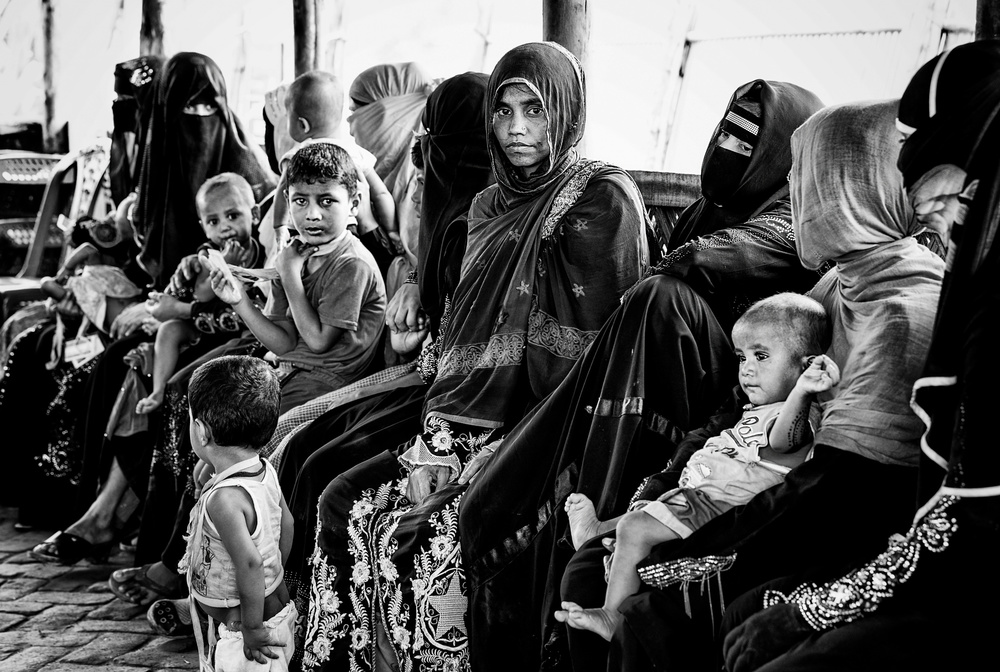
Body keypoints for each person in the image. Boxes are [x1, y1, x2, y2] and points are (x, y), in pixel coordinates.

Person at [301, 42, 649, 672]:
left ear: (566, 114)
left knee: (435, 537)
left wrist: (488, 455)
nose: (516, 130)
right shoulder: (486, 205)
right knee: (341, 499)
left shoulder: (602, 201)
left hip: (546, 434)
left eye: (535, 111)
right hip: (453, 426)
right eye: (503, 110)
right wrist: (435, 439)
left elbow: (589, 364)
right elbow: (461, 339)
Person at [458, 79, 824, 672]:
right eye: (724, 129)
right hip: (659, 385)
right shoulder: (710, 208)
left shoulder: (794, 218)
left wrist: (670, 275)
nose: (728, 145)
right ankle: (575, 484)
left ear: (781, 150)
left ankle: (593, 495)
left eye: (748, 136)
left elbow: (703, 259)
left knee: (659, 299)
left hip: (724, 407)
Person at [582, 99, 944, 672]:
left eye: (805, 177)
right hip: (777, 495)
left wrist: (692, 543)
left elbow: (841, 495)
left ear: (847, 186)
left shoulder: (900, 312)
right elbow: (743, 420)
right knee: (600, 561)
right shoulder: (839, 282)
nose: (794, 196)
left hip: (837, 537)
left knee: (653, 615)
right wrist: (664, 494)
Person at [721, 39, 1000, 672]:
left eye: (956, 202)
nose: (942, 225)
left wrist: (813, 609)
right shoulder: (843, 285)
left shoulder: (913, 309)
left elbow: (927, 512)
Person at [555, 293, 836, 641]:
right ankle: (601, 531)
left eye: (761, 356)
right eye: (741, 357)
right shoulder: (756, 407)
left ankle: (613, 617)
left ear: (807, 366)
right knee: (644, 516)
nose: (747, 368)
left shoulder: (799, 412)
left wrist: (804, 391)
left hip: (724, 508)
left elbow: (784, 442)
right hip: (698, 496)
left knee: (637, 528)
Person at [210, 142, 386, 412]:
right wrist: (239, 300)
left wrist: (290, 274)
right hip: (292, 370)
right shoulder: (295, 254)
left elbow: (317, 342)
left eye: (327, 201)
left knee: (244, 436)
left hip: (332, 381)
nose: (312, 215)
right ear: (288, 200)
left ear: (354, 204)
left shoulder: (352, 264)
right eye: (300, 201)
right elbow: (283, 343)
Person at [169, 356, 295, 670]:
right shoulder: (263, 469)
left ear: (201, 430)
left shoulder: (223, 500)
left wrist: (252, 627)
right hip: (269, 614)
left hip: (250, 638)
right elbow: (287, 523)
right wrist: (273, 576)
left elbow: (250, 563)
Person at [131, 51, 275, 287]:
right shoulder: (156, 171)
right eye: (188, 106)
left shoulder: (251, 172)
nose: (200, 117)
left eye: (209, 106)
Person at [136, 173, 264, 414]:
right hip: (201, 324)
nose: (225, 227)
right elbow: (203, 295)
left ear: (254, 215)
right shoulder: (208, 254)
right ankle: (157, 389)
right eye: (213, 221)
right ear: (204, 228)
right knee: (169, 329)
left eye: (233, 216)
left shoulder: (262, 253)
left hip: (237, 331)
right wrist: (222, 267)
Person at [270, 70, 397, 256]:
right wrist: (392, 231)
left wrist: (279, 226)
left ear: (302, 125)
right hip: (349, 232)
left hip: (304, 231)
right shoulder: (356, 153)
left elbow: (283, 193)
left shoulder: (297, 155)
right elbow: (381, 194)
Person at [346, 62, 432, 293]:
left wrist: (368, 224)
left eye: (357, 114)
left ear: (390, 114)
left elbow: (427, 282)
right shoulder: (376, 180)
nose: (350, 128)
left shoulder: (427, 182)